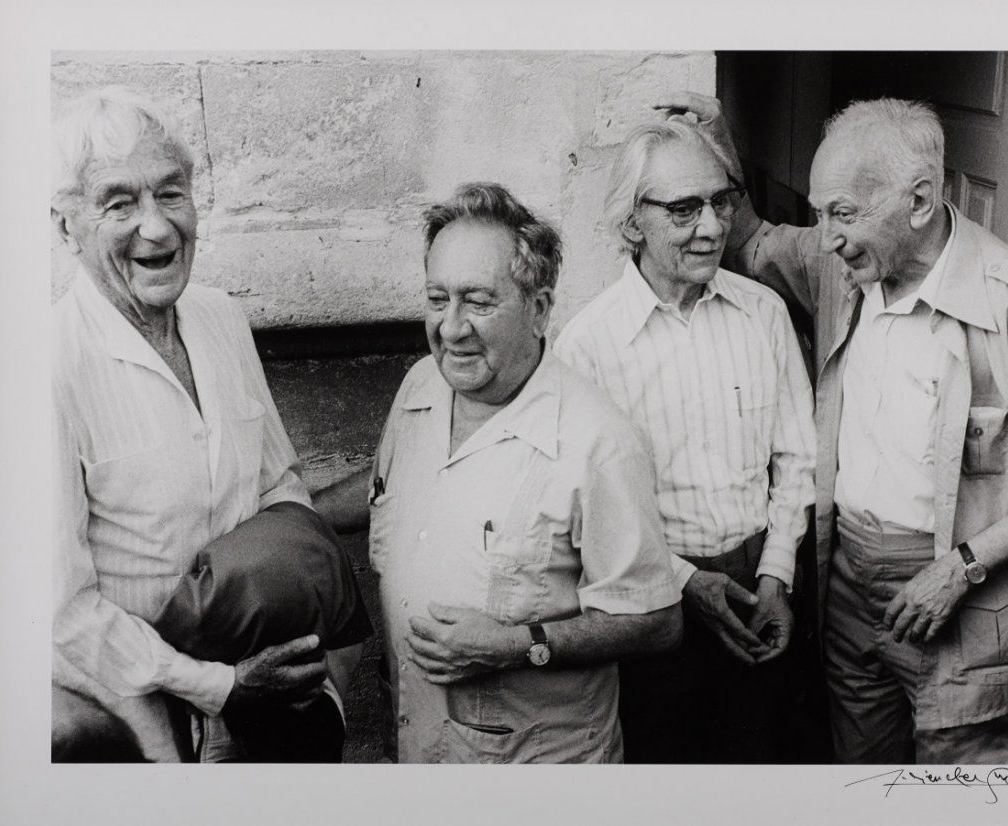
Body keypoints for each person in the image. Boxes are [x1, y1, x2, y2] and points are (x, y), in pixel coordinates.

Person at [660, 92, 1008, 763]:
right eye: (821, 213)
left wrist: (961, 569)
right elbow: (752, 242)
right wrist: (721, 145)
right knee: (862, 777)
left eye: (843, 213)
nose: (828, 234)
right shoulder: (840, 263)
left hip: (965, 597)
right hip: (847, 583)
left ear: (921, 202)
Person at [314, 182, 683, 763]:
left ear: (538, 310)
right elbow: (389, 490)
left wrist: (517, 646)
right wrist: (289, 513)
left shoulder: (597, 443)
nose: (452, 327)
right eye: (438, 300)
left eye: (478, 302)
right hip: (419, 746)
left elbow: (656, 621)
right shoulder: (419, 387)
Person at [51, 87, 363, 762]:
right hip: (141, 726)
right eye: (119, 203)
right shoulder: (45, 366)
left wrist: (318, 682)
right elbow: (63, 616)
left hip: (274, 704)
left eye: (171, 193)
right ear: (65, 227)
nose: (157, 228)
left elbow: (281, 487)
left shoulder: (221, 318)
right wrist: (220, 687)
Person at [554, 120, 816, 763]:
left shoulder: (764, 314)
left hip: (761, 588)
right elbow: (588, 513)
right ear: (631, 223)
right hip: (649, 605)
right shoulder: (586, 347)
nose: (712, 225)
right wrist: (685, 582)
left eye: (721, 200)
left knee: (761, 767)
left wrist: (777, 576)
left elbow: (796, 457)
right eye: (683, 208)